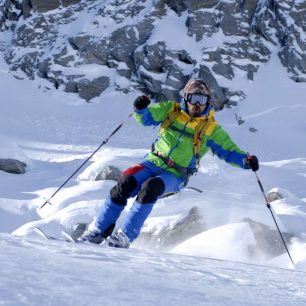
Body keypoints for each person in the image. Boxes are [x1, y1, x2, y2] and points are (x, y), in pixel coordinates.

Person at [78, 79, 259, 248]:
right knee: (125, 181)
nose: (197, 104)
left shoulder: (210, 128)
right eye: (194, 98)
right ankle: (98, 231)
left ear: (208, 101)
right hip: (152, 162)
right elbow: (148, 117)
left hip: (176, 174)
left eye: (202, 99)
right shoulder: (171, 110)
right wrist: (140, 109)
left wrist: (246, 161)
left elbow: (228, 151)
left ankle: (124, 236)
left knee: (151, 188)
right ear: (186, 98)